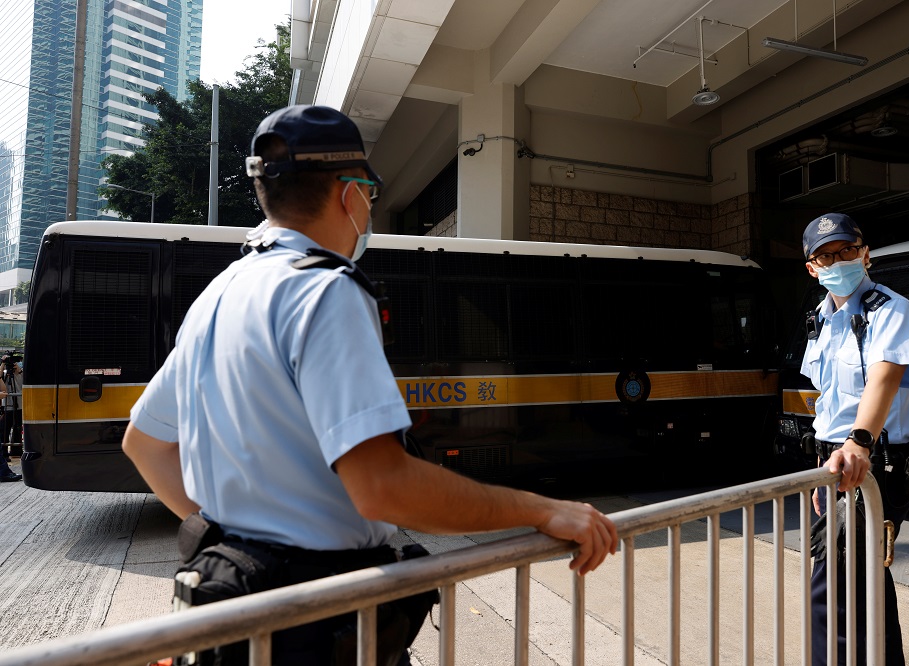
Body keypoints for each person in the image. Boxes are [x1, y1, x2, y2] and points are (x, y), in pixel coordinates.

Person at [122, 105, 618, 665]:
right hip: (316, 627)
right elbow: (383, 486)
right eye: (371, 196)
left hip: (230, 614)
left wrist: (240, 540)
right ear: (349, 193)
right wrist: (541, 509)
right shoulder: (324, 290)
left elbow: (144, 442)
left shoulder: (218, 294)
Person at [799, 213, 909, 665]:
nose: (838, 261)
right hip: (833, 464)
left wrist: (858, 442)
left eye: (846, 251)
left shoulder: (891, 310)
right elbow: (827, 396)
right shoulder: (820, 318)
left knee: (833, 585)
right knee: (863, 578)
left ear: (865, 253)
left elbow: (884, 377)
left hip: (872, 463)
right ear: (812, 268)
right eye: (826, 256)